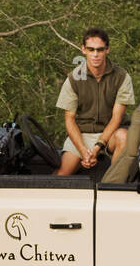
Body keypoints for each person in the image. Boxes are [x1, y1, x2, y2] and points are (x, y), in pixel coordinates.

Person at [55, 27, 135, 175]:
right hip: (82, 134)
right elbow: (69, 119)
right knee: (61, 175)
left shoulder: (122, 77)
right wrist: (83, 150)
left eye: (100, 50)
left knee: (124, 136)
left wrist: (98, 146)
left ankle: (112, 184)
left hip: (111, 133)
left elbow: (116, 118)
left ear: (107, 50)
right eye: (91, 50)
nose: (95, 54)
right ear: (83, 50)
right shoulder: (73, 78)